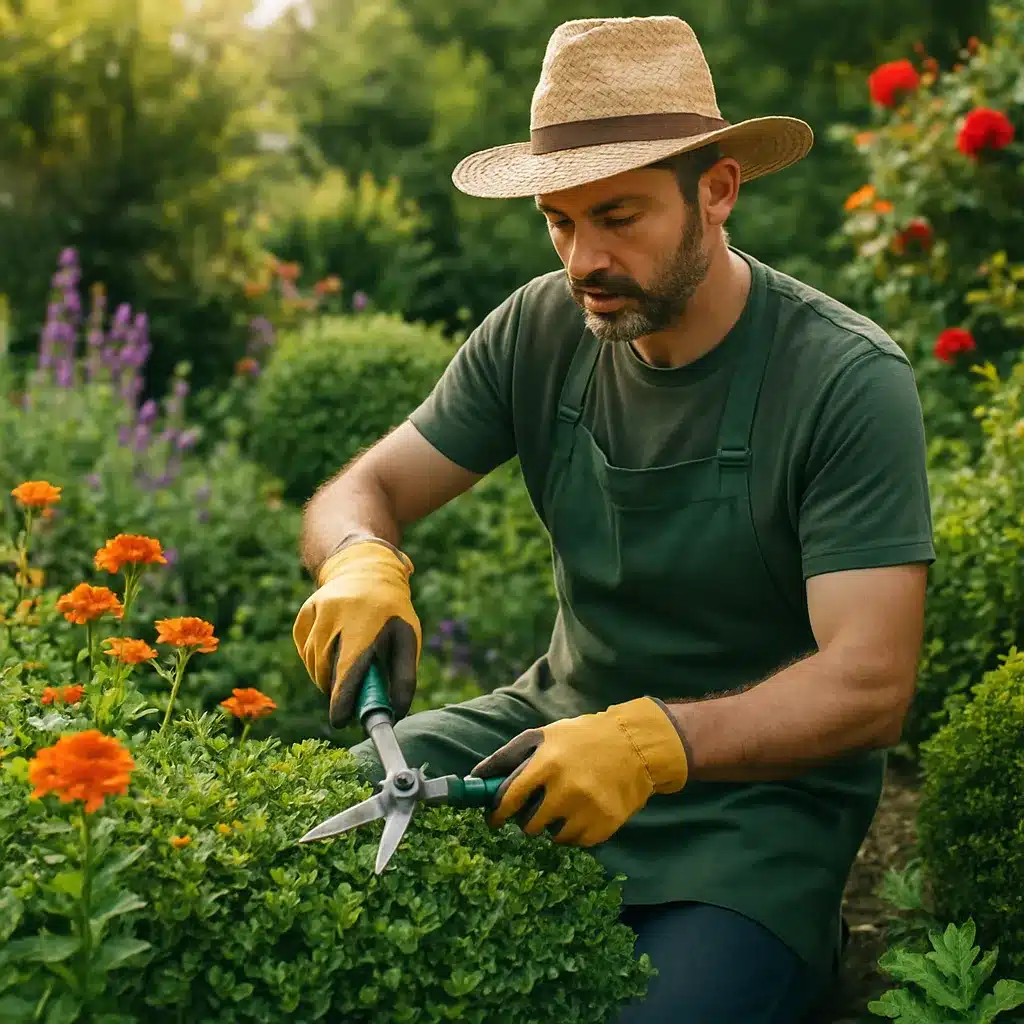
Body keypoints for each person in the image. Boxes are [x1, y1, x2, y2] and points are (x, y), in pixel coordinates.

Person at [292, 15, 934, 1023]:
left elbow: (869, 683)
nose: (582, 257)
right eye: (557, 220)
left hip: (755, 807)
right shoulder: (537, 327)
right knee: (291, 850)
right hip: (545, 731)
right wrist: (359, 560)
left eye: (618, 215)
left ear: (718, 190)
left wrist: (648, 745)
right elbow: (356, 490)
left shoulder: (843, 380)